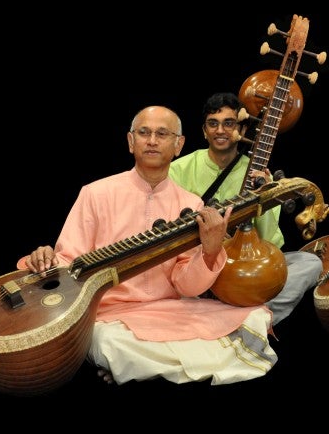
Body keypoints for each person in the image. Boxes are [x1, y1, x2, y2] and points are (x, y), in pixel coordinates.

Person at [18, 106, 279, 387]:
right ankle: (144, 364)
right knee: (111, 343)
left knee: (253, 317)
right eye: (144, 133)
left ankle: (138, 368)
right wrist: (43, 259)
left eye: (162, 134)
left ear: (178, 145)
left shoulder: (191, 205)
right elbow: (69, 260)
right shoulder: (95, 193)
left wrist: (211, 251)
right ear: (131, 142)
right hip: (109, 314)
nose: (152, 140)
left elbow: (186, 287)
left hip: (168, 310)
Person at [169, 92, 322, 326]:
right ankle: (235, 315)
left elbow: (270, 242)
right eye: (213, 124)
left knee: (310, 263)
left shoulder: (258, 174)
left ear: (241, 129)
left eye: (229, 123)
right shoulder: (179, 169)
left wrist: (265, 198)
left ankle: (252, 323)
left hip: (245, 267)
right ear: (204, 131)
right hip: (201, 265)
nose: (220, 130)